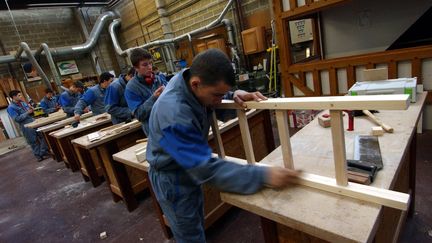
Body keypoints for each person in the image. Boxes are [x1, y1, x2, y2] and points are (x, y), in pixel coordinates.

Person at [146, 49, 300, 243]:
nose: (220, 101)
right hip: (173, 179)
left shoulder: (191, 81)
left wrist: (234, 94)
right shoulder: (173, 114)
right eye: (218, 95)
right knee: (190, 236)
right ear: (196, 84)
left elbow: (209, 103)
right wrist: (264, 175)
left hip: (184, 168)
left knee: (194, 224)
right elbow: (204, 169)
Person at [124, 48, 167, 135]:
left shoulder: (158, 79)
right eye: (145, 65)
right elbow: (139, 115)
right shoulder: (131, 88)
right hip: (155, 132)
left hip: (168, 124)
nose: (150, 67)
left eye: (150, 63)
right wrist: (154, 98)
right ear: (136, 68)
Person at [7, 90, 49, 162]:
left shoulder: (23, 103)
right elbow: (17, 119)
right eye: (19, 95)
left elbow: (29, 112)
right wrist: (27, 112)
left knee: (42, 135)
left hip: (33, 122)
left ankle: (42, 152)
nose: (21, 96)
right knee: (33, 141)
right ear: (14, 97)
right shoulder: (11, 107)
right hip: (25, 125)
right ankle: (38, 156)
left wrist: (32, 110)